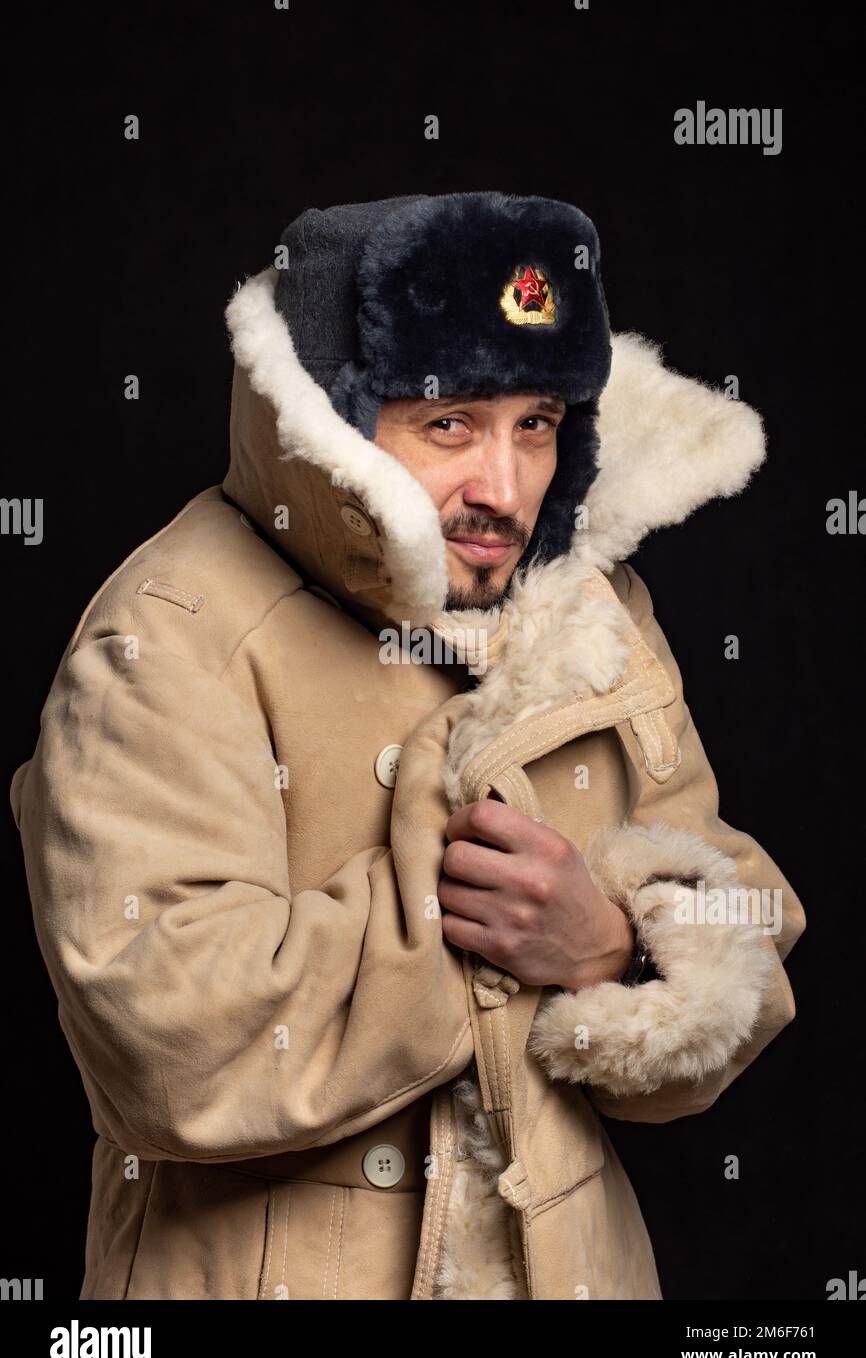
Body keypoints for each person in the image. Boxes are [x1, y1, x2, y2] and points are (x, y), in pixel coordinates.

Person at [9, 191, 806, 1300]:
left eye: (535, 422)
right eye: (450, 425)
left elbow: (748, 939)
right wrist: (490, 930)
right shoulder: (166, 633)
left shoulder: (585, 609)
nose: (504, 487)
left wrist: (611, 948)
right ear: (333, 420)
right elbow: (166, 1040)